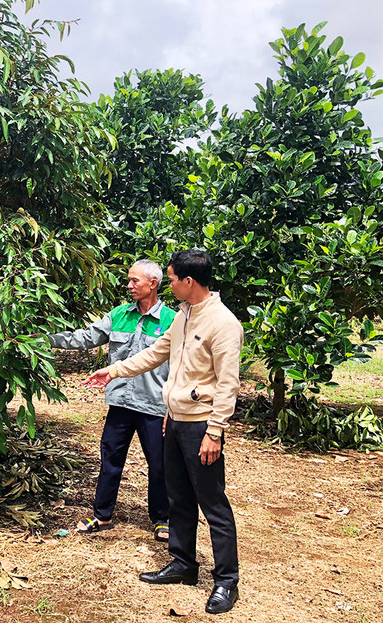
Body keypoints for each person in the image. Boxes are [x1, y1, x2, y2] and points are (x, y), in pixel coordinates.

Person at [84, 250, 243, 615]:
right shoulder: (184, 316)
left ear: (189, 281)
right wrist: (114, 371)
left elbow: (228, 384)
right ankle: (184, 563)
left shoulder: (222, 323)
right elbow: (157, 353)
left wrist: (215, 432)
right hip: (173, 420)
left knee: (212, 502)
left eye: (171, 279)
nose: (169, 286)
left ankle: (226, 581)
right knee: (179, 498)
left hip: (202, 425)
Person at [48, 259, 175, 542]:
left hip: (154, 406)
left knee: (159, 465)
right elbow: (84, 337)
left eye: (135, 281)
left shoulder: (172, 321)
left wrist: (173, 407)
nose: (129, 286)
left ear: (153, 283)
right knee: (110, 459)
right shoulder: (119, 314)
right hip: (120, 403)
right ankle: (102, 514)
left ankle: (161, 518)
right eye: (129, 281)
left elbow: (181, 367)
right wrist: (44, 339)